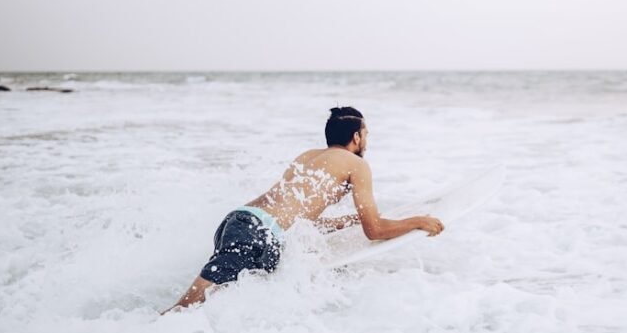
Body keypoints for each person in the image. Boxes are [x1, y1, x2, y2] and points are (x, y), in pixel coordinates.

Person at [163, 107, 444, 313]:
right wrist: (417, 221)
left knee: (216, 308)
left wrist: (341, 222)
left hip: (238, 222)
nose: (367, 141)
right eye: (367, 134)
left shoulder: (308, 156)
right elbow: (375, 230)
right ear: (357, 137)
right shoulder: (356, 164)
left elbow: (293, 221)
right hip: (258, 234)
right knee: (181, 311)